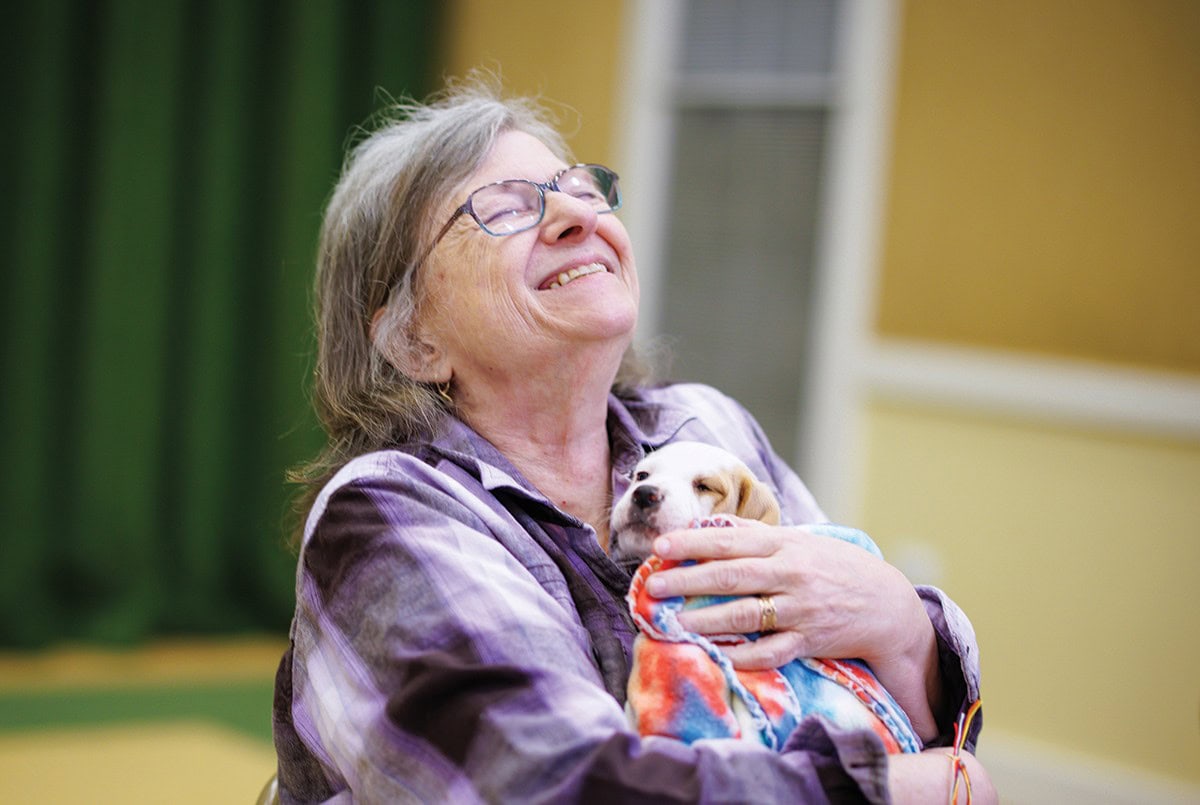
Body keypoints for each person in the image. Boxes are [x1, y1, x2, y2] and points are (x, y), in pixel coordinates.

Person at [272, 76, 995, 804]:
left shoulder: (705, 426)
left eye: (582, 189)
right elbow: (554, 786)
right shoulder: (387, 513)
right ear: (413, 338)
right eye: (504, 209)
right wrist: (885, 789)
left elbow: (879, 703)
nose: (573, 217)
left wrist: (906, 631)